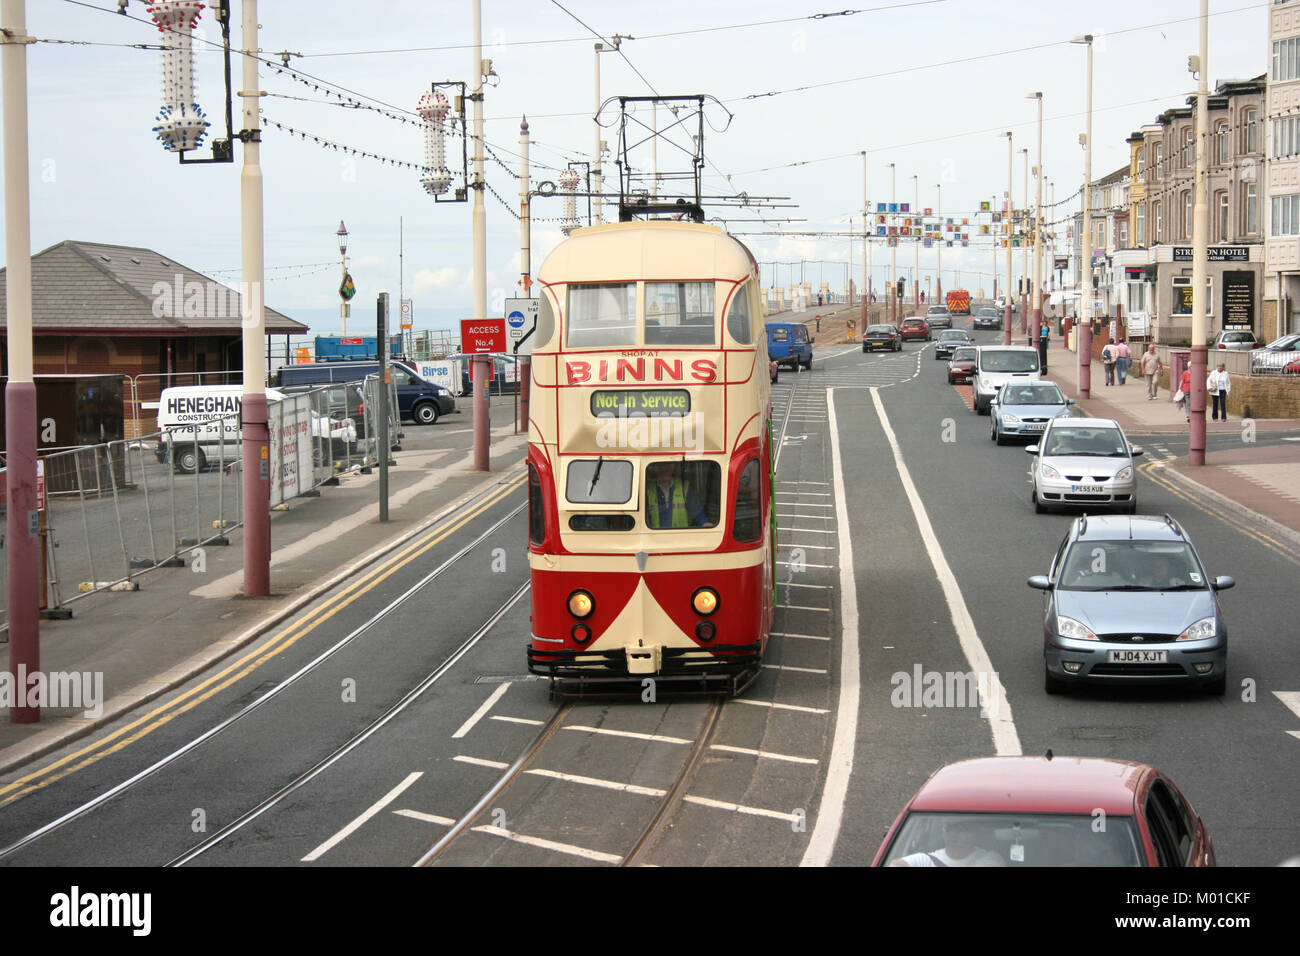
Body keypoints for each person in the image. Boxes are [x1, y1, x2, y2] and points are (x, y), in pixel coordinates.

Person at [889, 817, 1006, 867]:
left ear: (974, 833)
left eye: (961, 829)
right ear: (942, 831)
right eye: (949, 828)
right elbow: (896, 864)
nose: (953, 835)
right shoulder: (926, 860)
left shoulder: (990, 859)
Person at [646, 462, 709, 529]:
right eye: (660, 465)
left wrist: (704, 523)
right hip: (655, 537)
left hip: (680, 536)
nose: (664, 468)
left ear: (673, 467)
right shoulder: (648, 489)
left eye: (667, 465)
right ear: (655, 468)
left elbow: (697, 512)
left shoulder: (684, 487)